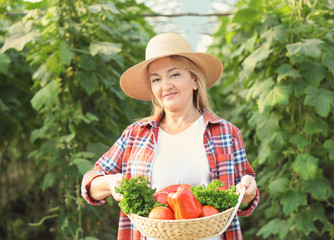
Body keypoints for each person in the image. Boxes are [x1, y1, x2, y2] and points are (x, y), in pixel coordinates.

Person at [81, 33, 260, 240]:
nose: (165, 86)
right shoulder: (136, 135)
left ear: (194, 80)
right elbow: (90, 185)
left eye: (174, 75)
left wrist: (248, 192)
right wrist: (111, 182)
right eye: (156, 79)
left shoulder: (227, 133)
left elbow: (244, 198)